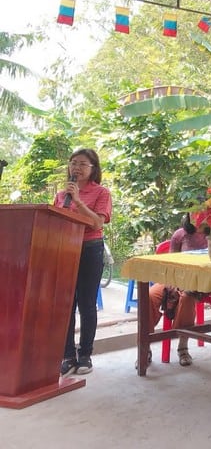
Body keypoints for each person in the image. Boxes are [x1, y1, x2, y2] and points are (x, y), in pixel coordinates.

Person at [56, 148, 112, 377]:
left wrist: (78, 201)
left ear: (93, 168)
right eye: (73, 163)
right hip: (65, 249)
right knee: (66, 304)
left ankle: (85, 355)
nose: (76, 168)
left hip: (90, 249)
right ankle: (67, 355)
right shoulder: (61, 195)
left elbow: (97, 223)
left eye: (82, 164)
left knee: (87, 304)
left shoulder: (101, 192)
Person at [145, 214, 209, 367]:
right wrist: (173, 284)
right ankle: (145, 348)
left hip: (200, 282)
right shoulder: (180, 234)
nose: (198, 216)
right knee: (150, 296)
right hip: (174, 278)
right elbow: (171, 263)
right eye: (194, 213)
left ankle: (183, 347)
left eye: (203, 213)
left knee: (187, 297)